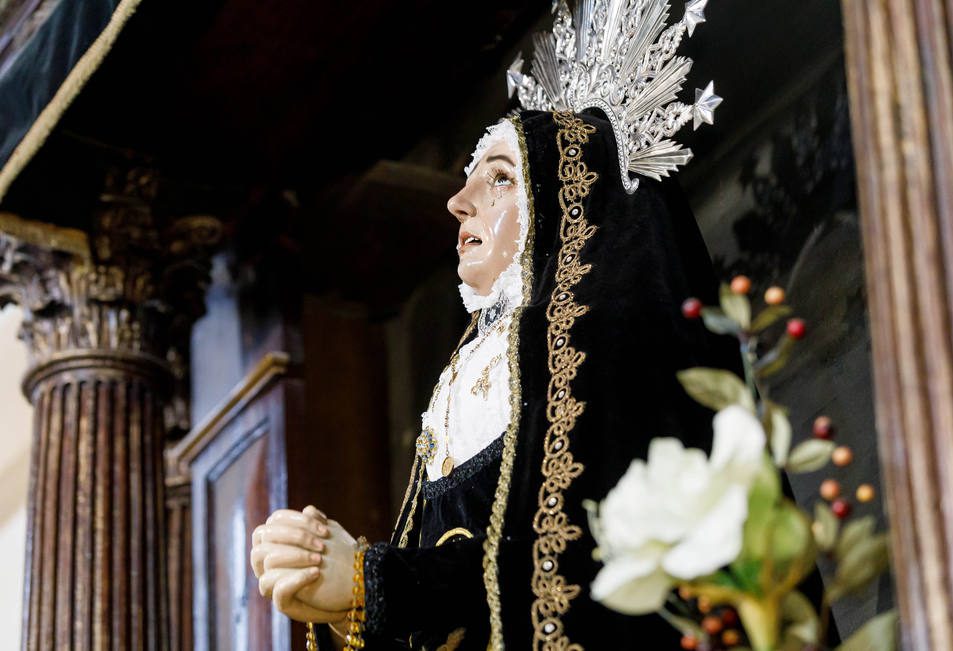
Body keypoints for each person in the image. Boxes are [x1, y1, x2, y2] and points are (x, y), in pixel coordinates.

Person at [249, 3, 735, 649]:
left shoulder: (599, 352)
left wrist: (372, 581)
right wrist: (343, 594)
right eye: (470, 180)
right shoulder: (465, 370)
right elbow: (444, 571)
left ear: (567, 209)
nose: (458, 202)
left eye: (501, 179)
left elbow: (575, 558)